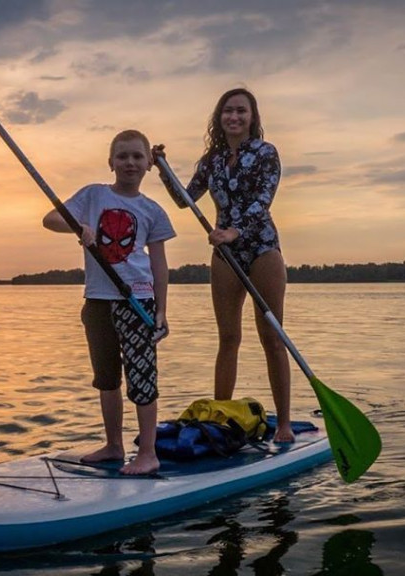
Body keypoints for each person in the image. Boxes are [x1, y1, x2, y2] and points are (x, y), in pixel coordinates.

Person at [153, 87, 294, 442]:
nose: (234, 117)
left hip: (261, 247)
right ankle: (219, 421)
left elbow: (264, 199)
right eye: (228, 111)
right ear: (219, 117)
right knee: (228, 338)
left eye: (241, 111)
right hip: (225, 255)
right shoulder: (211, 160)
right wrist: (162, 169)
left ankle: (286, 425)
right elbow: (186, 200)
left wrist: (234, 231)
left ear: (252, 117)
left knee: (272, 338)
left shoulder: (266, 153)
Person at [43, 129, 176, 475]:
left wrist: (161, 310)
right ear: (111, 162)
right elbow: (50, 218)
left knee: (142, 377)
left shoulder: (153, 210)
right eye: (122, 156)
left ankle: (147, 452)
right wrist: (80, 226)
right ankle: (114, 445)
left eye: (137, 157)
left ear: (149, 163)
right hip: (98, 301)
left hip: (138, 301)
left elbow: (159, 264)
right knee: (106, 378)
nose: (129, 163)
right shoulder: (93, 195)